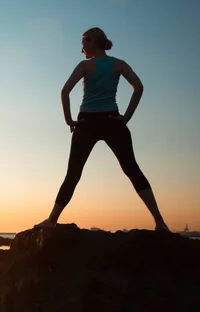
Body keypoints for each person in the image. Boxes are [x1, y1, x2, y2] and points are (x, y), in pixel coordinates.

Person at [35, 27, 169, 232]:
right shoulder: (119, 64)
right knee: (132, 169)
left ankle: (52, 220)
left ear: (92, 42)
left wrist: (69, 119)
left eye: (84, 43)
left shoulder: (84, 66)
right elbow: (139, 87)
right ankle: (160, 222)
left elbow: (64, 91)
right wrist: (126, 117)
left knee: (73, 173)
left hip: (86, 122)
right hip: (112, 120)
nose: (81, 49)